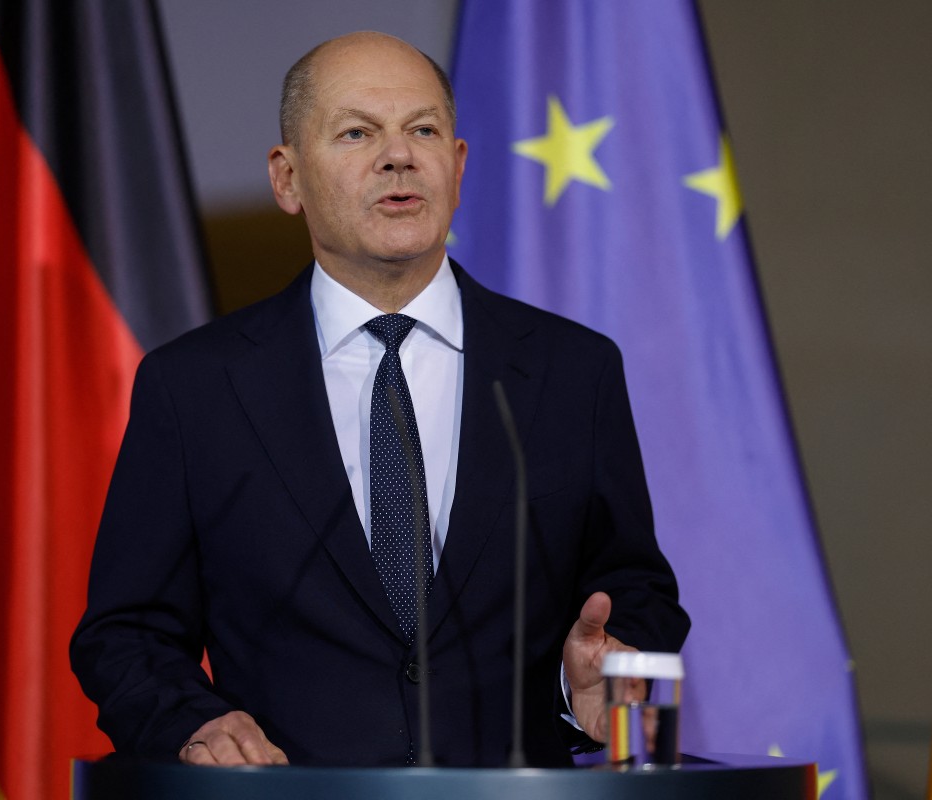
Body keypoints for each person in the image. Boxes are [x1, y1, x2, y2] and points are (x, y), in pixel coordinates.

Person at [70, 31, 688, 768]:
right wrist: (193, 723)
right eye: (358, 132)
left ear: (456, 166)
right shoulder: (196, 387)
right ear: (287, 178)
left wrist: (586, 679)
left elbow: (633, 588)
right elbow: (127, 631)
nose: (399, 156)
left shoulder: (572, 370)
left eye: (423, 130)